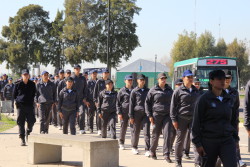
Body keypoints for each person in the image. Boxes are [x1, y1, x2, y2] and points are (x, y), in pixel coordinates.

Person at [192, 69, 238, 167]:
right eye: (219, 79)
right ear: (211, 81)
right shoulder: (203, 99)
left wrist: (235, 138)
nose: (223, 81)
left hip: (227, 140)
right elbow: (196, 122)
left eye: (224, 79)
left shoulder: (229, 99)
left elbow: (234, 120)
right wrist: (198, 144)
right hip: (209, 142)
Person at [170, 70, 199, 167]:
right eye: (188, 77)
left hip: (193, 119)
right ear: (183, 78)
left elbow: (199, 106)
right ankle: (178, 161)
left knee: (195, 139)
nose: (190, 79)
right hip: (181, 119)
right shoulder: (178, 91)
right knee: (180, 140)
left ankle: (197, 162)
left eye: (191, 77)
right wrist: (174, 120)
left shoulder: (195, 90)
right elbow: (173, 107)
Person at [145, 72, 173, 162]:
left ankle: (166, 154)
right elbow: (147, 103)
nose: (163, 80)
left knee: (168, 134)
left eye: (164, 78)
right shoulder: (153, 90)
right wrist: (149, 115)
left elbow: (174, 102)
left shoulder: (169, 89)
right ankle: (152, 151)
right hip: (156, 115)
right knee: (155, 135)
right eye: (162, 78)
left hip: (167, 116)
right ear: (158, 80)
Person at [13, 69, 36, 146]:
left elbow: (34, 94)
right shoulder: (18, 84)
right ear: (22, 76)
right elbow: (14, 95)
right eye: (24, 75)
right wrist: (17, 102)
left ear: (29, 75)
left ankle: (28, 131)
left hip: (29, 105)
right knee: (21, 122)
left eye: (27, 75)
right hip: (21, 106)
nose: (26, 76)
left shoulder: (32, 84)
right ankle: (22, 139)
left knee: (32, 121)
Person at [129, 74, 150, 156]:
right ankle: (134, 147)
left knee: (146, 132)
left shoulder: (148, 91)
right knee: (136, 131)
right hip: (136, 114)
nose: (142, 81)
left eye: (143, 80)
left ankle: (147, 149)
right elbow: (131, 104)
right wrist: (131, 116)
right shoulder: (134, 91)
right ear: (137, 81)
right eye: (140, 80)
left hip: (146, 114)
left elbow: (150, 103)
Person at [116, 74, 133, 150]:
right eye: (128, 80)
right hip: (124, 112)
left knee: (133, 129)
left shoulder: (134, 90)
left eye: (131, 80)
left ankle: (134, 144)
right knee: (123, 128)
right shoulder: (121, 91)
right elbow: (118, 103)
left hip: (133, 112)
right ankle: (121, 143)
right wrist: (119, 113)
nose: (130, 82)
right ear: (125, 81)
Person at [72, 65, 89, 134]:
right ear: (74, 70)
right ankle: (72, 127)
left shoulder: (83, 78)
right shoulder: (71, 78)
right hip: (73, 100)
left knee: (82, 113)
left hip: (81, 100)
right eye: (76, 69)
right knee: (73, 114)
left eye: (78, 69)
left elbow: (85, 89)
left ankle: (82, 128)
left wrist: (85, 98)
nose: (77, 70)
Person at [93, 68, 110, 135]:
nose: (105, 74)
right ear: (102, 74)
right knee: (99, 115)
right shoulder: (99, 81)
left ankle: (108, 129)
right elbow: (95, 91)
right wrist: (95, 100)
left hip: (108, 101)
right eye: (104, 73)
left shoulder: (110, 81)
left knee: (108, 115)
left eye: (107, 73)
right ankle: (99, 129)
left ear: (108, 74)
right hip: (99, 101)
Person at [170, 78, 183, 154]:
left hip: (181, 117)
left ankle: (181, 149)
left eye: (181, 84)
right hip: (173, 117)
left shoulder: (183, 93)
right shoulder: (172, 93)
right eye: (178, 85)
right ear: (175, 85)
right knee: (172, 134)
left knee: (180, 134)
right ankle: (170, 147)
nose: (179, 86)